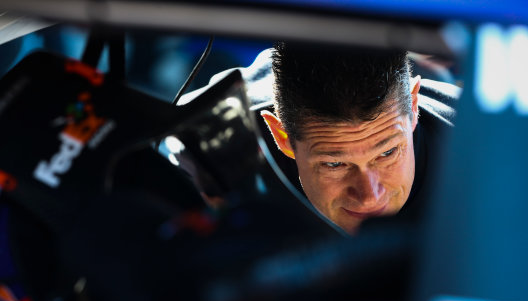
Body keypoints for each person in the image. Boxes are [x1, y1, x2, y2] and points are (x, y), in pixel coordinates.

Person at [184, 42, 460, 234]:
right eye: (335, 164)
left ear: (412, 107)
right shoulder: (210, 146)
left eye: (387, 153)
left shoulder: (486, 148)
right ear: (282, 136)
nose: (368, 196)